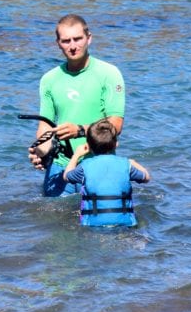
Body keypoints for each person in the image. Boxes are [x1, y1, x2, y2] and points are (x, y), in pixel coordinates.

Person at [28, 14, 126, 197]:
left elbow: (116, 125)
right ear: (58, 43)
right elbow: (45, 126)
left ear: (89, 38)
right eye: (66, 41)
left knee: (98, 213)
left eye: (77, 39)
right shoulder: (49, 79)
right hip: (59, 166)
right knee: (50, 215)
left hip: (99, 163)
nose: (72, 46)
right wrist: (41, 151)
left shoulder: (110, 74)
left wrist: (79, 130)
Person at [63, 118, 150, 227]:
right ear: (116, 144)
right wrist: (132, 162)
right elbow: (146, 177)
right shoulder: (126, 165)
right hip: (126, 224)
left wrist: (76, 155)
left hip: (92, 225)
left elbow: (66, 176)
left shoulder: (85, 166)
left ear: (88, 146)